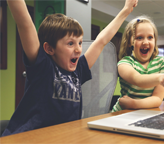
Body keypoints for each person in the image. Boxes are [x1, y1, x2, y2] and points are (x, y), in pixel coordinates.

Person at [2, 0, 138, 136]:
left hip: (62, 136)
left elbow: (101, 41)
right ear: (49, 48)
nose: (79, 49)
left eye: (79, 42)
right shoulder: (42, 67)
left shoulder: (78, 70)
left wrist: (126, 10)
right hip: (27, 137)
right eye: (70, 43)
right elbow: (24, 23)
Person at [112, 15, 164, 112]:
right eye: (139, 37)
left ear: (155, 40)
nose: (145, 42)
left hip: (144, 113)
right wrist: (161, 78)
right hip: (121, 113)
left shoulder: (163, 62)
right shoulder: (124, 63)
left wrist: (134, 104)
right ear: (129, 42)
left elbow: (157, 99)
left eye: (150, 37)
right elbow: (138, 79)